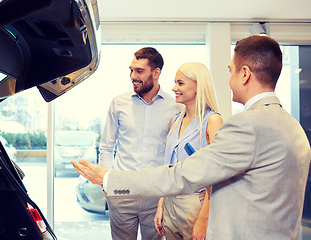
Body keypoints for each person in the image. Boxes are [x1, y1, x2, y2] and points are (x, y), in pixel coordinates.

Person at [72, 35, 311, 240]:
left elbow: (183, 174)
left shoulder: (246, 125)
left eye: (231, 71)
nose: (228, 81)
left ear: (245, 74)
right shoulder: (292, 127)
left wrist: (109, 179)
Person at [98, 47, 180, 240]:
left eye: (139, 71)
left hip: (156, 195)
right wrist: (107, 183)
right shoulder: (118, 103)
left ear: (156, 72)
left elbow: (175, 153)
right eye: (131, 70)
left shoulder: (175, 107)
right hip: (121, 192)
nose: (133, 76)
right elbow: (106, 146)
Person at [154, 62, 223, 240]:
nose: (174, 88)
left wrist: (204, 219)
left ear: (198, 87)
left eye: (180, 83)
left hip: (195, 202)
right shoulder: (175, 121)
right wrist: (161, 204)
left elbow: (216, 175)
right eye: (175, 82)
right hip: (170, 200)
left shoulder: (212, 121)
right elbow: (167, 167)